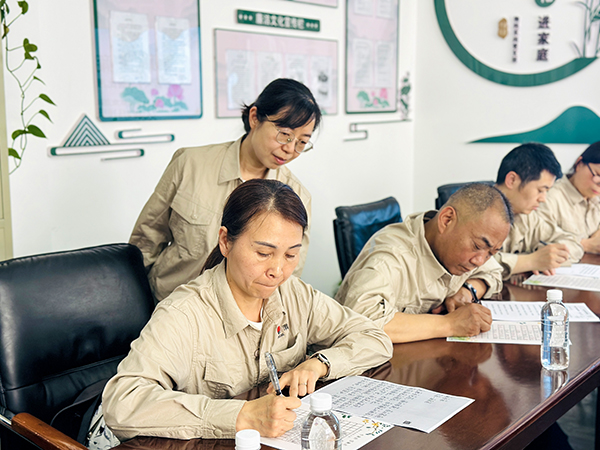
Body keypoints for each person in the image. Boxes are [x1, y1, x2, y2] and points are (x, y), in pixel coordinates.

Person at [102, 179, 393, 442]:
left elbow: (374, 337)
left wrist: (319, 363)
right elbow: (122, 402)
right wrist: (240, 416)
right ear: (226, 241)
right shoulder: (184, 314)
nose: (278, 270)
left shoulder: (295, 294)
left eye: (291, 254)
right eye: (263, 253)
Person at [130, 78, 321, 301]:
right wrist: (138, 305)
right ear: (254, 118)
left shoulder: (297, 196)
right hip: (168, 305)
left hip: (237, 322)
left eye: (301, 142)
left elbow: (285, 277)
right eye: (284, 134)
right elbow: (145, 241)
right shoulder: (190, 164)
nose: (290, 149)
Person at [336, 183, 511, 343]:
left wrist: (467, 291)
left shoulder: (465, 249)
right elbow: (361, 322)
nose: (479, 261)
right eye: (478, 246)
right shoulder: (391, 257)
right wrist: (449, 324)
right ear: (447, 220)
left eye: (491, 253)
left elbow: (493, 273)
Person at [493, 143, 583, 279]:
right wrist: (531, 261)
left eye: (547, 191)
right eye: (540, 190)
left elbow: (573, 243)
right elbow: (473, 264)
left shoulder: (527, 217)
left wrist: (547, 255)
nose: (543, 199)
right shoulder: (476, 213)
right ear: (512, 180)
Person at [537, 141, 600, 254]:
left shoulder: (596, 199)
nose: (599, 185)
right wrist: (585, 245)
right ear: (579, 164)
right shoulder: (549, 198)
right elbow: (536, 245)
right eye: (598, 175)